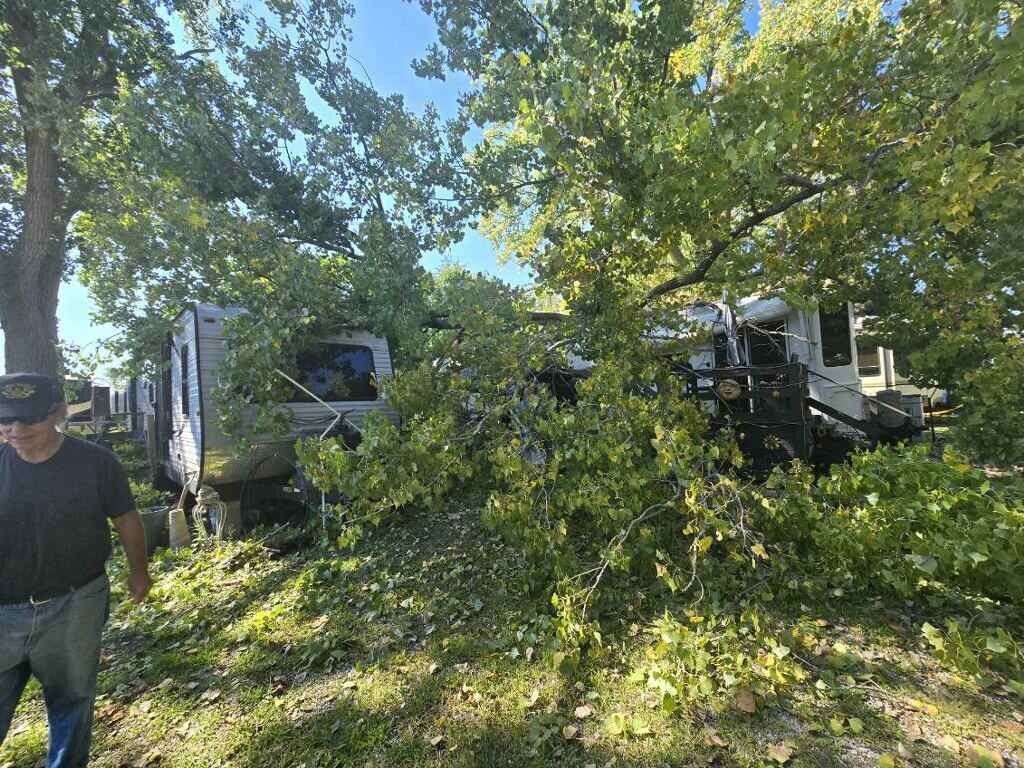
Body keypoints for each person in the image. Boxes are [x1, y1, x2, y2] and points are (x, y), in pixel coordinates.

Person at [0, 373, 152, 767]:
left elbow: (126, 518)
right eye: (5, 419)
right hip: (2, 610)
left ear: (58, 412)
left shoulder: (97, 462)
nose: (16, 429)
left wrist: (139, 572)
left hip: (75, 603)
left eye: (28, 418)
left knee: (72, 702)